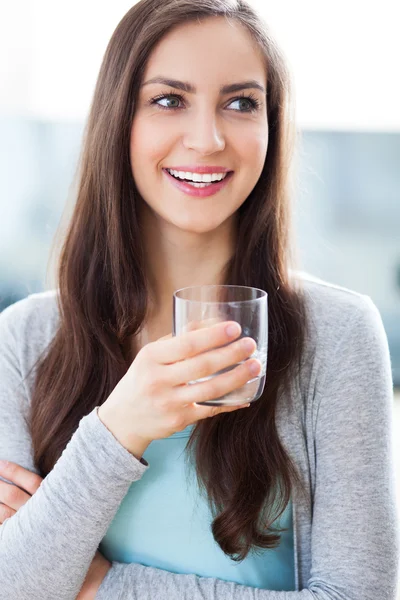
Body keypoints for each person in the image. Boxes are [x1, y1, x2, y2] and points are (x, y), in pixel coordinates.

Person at [0, 0, 398, 598]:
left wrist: (98, 585)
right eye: (169, 100)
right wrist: (120, 426)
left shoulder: (338, 333)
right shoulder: (25, 337)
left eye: (241, 103)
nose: (208, 138)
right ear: (119, 119)